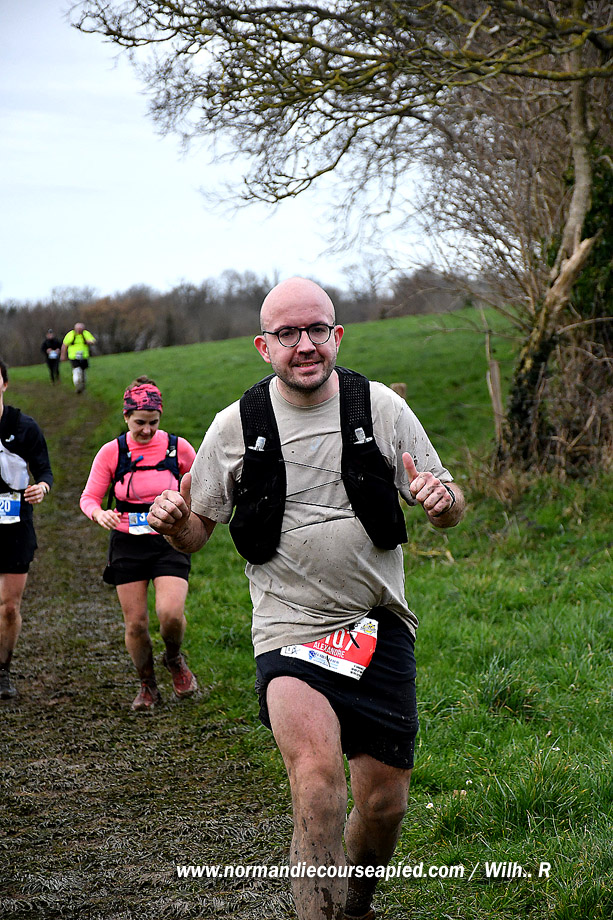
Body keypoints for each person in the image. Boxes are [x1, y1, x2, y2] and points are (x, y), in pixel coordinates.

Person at [148, 277, 465, 920]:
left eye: (317, 329)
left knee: (383, 807)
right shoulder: (235, 426)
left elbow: (449, 498)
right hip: (288, 631)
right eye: (288, 334)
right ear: (263, 346)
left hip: (378, 625)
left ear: (337, 335)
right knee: (318, 785)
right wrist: (174, 522)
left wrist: (442, 502)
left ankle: (356, 904)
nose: (305, 345)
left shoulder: (379, 408)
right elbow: (197, 531)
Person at [80, 376, 198, 711]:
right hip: (127, 542)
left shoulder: (178, 448)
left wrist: (189, 516)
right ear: (126, 417)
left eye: (153, 423)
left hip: (168, 540)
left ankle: (173, 658)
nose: (147, 430)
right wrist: (99, 514)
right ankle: (147, 685)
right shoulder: (112, 452)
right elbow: (89, 498)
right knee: (136, 624)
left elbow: (203, 485)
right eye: (139, 423)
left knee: (170, 614)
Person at [0, 358, 53, 700]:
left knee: (8, 607)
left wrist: (42, 488)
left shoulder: (24, 427)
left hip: (15, 525)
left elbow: (44, 471)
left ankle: (3, 671)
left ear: (4, 383)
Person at [60, 322, 96, 393]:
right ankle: (77, 385)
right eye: (78, 329)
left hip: (84, 356)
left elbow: (93, 340)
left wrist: (90, 342)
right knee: (77, 371)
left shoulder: (86, 333)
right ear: (75, 329)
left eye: (81, 329)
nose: (79, 331)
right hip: (74, 357)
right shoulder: (70, 334)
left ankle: (83, 387)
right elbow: (64, 345)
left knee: (83, 373)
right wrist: (63, 355)